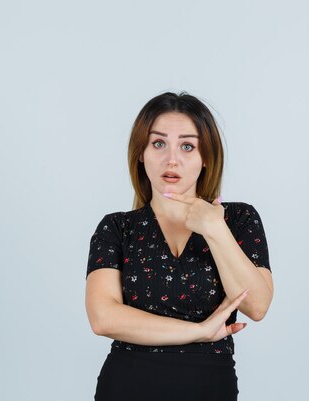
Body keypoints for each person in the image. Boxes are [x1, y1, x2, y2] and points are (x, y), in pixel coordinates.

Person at [84, 92, 274, 401]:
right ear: (141, 153)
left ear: (206, 158)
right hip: (126, 387)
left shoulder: (239, 219)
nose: (171, 159)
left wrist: (214, 228)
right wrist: (199, 331)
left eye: (187, 146)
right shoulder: (117, 228)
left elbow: (257, 305)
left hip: (210, 389)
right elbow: (103, 318)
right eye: (158, 143)